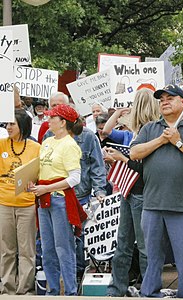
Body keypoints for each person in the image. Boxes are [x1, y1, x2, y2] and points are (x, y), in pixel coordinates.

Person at [130, 84, 183, 298]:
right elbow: (134, 152)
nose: (164, 101)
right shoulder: (150, 128)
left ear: (182, 102)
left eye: (170, 98)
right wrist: (161, 140)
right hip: (153, 203)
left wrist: (179, 142)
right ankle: (150, 292)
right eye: (161, 99)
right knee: (152, 254)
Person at [42, 94, 108, 282]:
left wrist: (100, 191)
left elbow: (97, 166)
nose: (50, 116)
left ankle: (76, 277)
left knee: (77, 239)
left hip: (80, 195)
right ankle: (59, 282)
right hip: (54, 197)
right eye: (51, 107)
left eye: (57, 108)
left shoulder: (87, 136)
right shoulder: (48, 136)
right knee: (55, 242)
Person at [106, 88, 160, 297]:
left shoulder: (150, 133)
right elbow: (107, 132)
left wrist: (122, 159)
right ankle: (117, 288)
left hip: (142, 192)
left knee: (143, 246)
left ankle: (147, 288)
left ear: (138, 106)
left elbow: (147, 168)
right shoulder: (134, 133)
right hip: (128, 192)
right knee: (123, 245)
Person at [29, 104, 86, 296]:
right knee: (47, 248)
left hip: (58, 198)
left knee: (63, 248)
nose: (48, 120)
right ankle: (53, 290)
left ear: (63, 123)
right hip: (45, 197)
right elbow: (42, 169)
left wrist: (46, 187)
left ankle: (69, 291)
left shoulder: (70, 144)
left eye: (53, 117)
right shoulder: (48, 141)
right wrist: (33, 183)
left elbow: (75, 178)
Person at [0, 110, 40, 294]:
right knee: (6, 249)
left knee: (26, 250)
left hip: (27, 204)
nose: (8, 127)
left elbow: (41, 173)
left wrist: (35, 180)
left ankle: (25, 290)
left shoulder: (35, 147)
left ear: (22, 126)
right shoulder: (1, 145)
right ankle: (6, 289)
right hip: (4, 203)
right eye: (7, 124)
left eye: (12, 124)